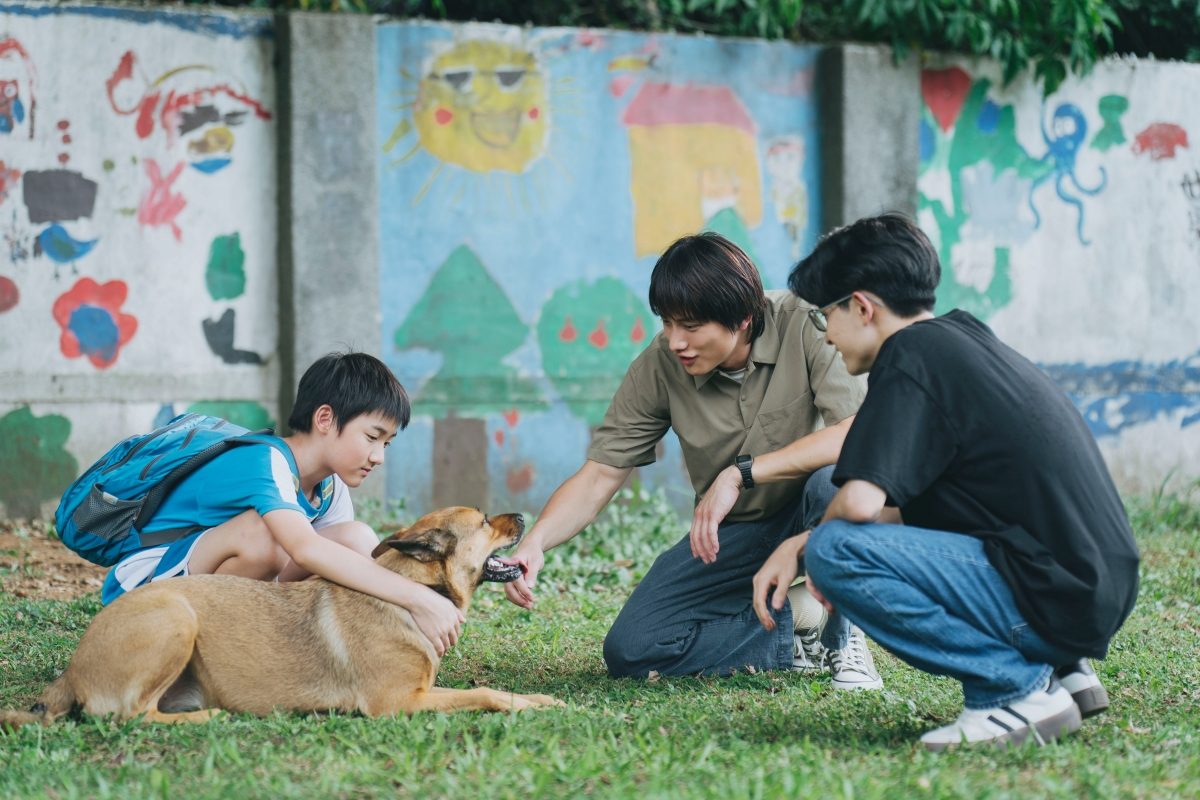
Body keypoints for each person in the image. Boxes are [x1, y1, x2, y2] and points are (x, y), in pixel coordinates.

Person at [752, 212, 1139, 750]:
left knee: (837, 550)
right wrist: (800, 542)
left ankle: (1015, 693)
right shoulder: (962, 338)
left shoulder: (908, 357)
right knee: (841, 538)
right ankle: (1059, 666)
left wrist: (806, 549)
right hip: (1090, 584)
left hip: (1057, 589)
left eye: (824, 319)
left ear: (861, 307)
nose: (829, 339)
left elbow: (860, 507)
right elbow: (910, 509)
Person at [504, 232, 881, 687]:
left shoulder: (807, 324)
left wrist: (740, 474)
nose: (675, 340)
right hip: (739, 531)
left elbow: (861, 435)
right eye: (667, 322)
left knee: (834, 481)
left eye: (691, 326)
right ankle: (803, 620)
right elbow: (601, 473)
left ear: (742, 318)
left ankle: (843, 634)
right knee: (635, 648)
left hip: (815, 514)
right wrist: (536, 543)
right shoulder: (660, 365)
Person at [99, 351, 464, 656]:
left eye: (387, 444)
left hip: (218, 590)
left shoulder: (330, 487)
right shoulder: (265, 460)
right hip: (147, 600)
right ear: (325, 419)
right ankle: (210, 656)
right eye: (372, 437)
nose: (378, 456)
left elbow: (342, 568)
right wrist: (418, 598)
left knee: (354, 538)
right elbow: (305, 551)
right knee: (265, 540)